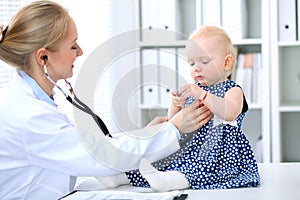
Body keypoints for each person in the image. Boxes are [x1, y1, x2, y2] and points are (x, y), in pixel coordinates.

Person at [0, 1, 212, 199]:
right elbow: (100, 155)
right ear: (43, 57)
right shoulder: (27, 116)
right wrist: (173, 129)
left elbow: (89, 148)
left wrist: (147, 135)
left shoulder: (30, 101)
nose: (81, 52)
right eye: (73, 46)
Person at [99, 25, 260, 192]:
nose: (196, 68)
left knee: (198, 168)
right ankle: (119, 177)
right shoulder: (194, 89)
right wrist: (175, 105)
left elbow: (230, 112)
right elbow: (174, 122)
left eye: (204, 61)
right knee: (162, 158)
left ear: (227, 62)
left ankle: (169, 182)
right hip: (190, 145)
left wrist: (202, 95)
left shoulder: (232, 89)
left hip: (218, 151)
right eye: (191, 63)